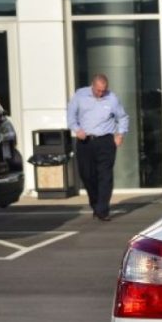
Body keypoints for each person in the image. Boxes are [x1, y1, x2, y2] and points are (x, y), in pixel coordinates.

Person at [67, 73, 129, 221]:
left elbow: (123, 117)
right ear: (92, 86)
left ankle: (102, 210)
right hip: (85, 140)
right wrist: (77, 129)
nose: (101, 93)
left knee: (105, 175)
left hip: (105, 141)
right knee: (87, 175)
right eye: (98, 90)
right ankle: (95, 204)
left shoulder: (112, 98)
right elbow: (71, 116)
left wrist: (120, 134)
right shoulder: (80, 95)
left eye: (103, 90)